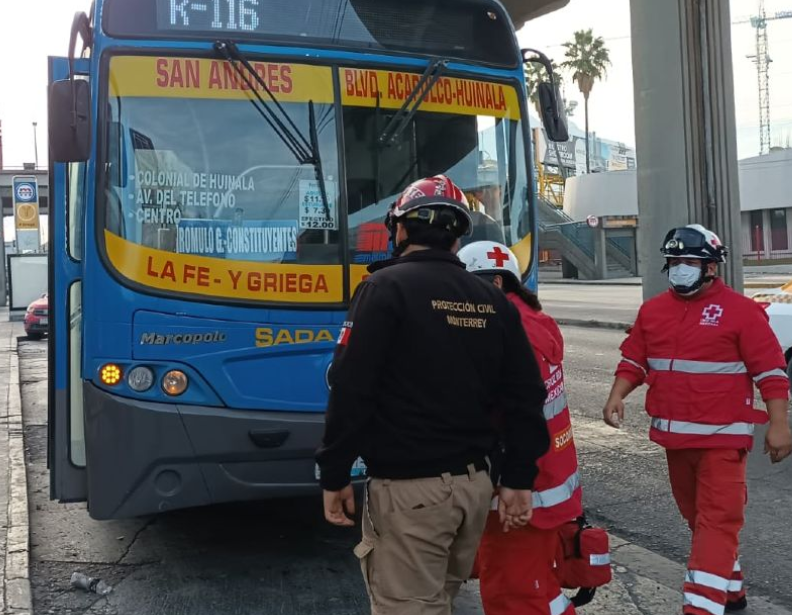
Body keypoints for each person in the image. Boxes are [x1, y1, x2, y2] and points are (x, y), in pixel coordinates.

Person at [316, 174, 550, 615]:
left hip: (411, 492)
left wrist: (334, 473)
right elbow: (524, 394)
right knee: (438, 599)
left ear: (399, 229)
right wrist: (518, 476)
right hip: (474, 489)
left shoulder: (383, 289)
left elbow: (351, 390)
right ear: (457, 235)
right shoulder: (492, 299)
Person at [602, 224, 791, 615]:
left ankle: (700, 607)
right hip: (675, 441)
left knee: (718, 522)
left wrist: (779, 424)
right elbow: (635, 359)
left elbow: (771, 371)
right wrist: (617, 395)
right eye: (674, 262)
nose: (680, 269)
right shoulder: (653, 310)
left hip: (724, 440)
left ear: (710, 268)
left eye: (689, 261)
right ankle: (731, 591)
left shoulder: (741, 312)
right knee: (699, 521)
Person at [459, 241, 582, 615]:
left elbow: (508, 416)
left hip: (520, 491)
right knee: (537, 588)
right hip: (546, 482)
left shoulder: (505, 332)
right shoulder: (534, 321)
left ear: (495, 283)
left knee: (514, 595)